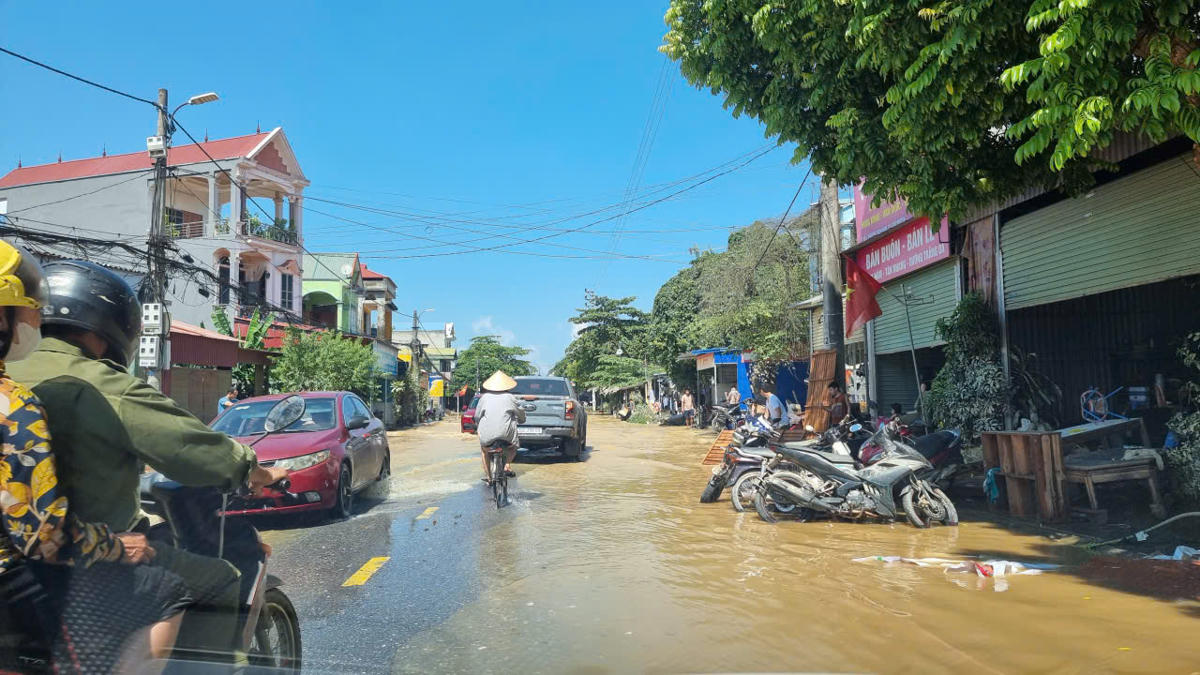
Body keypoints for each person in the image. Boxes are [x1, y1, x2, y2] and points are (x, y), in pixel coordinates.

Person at [9, 260, 288, 665]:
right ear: (107, 326)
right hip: (78, 561)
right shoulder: (99, 383)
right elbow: (192, 447)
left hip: (15, 572)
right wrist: (254, 471)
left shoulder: (9, 381)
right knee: (220, 579)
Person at [0, 242, 190, 672]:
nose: (36, 320)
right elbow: (42, 535)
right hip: (13, 593)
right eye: (26, 309)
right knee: (167, 590)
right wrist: (115, 546)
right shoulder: (13, 406)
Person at [474, 370, 526, 483]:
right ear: (507, 386)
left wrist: (477, 424)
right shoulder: (510, 397)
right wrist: (522, 420)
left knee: (484, 451)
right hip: (506, 435)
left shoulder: (484, 397)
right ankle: (507, 465)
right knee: (514, 447)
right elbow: (521, 414)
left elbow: (477, 416)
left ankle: (489, 478)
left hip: (487, 436)